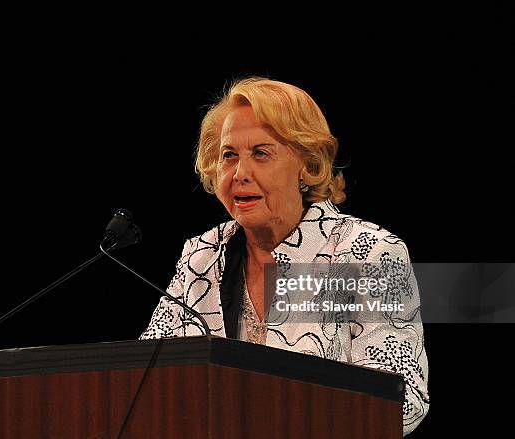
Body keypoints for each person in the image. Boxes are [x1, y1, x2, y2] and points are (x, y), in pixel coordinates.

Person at [139, 77, 429, 435]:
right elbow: (146, 381)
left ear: (306, 165)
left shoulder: (366, 252)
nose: (240, 173)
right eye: (229, 156)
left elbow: (403, 400)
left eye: (261, 153)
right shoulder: (202, 256)